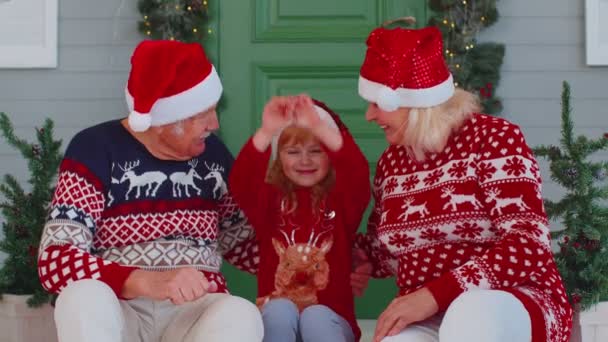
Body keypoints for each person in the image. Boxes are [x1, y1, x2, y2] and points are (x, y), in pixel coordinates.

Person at [350, 26, 573, 342]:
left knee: (470, 316)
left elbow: (528, 245)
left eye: (377, 102)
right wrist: (347, 261)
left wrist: (433, 294)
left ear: (415, 101)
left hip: (509, 299)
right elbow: (383, 251)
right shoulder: (392, 162)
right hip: (429, 312)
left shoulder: (494, 139)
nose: (369, 115)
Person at [37, 40, 263, 342]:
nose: (214, 124)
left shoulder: (214, 157)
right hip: (121, 308)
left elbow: (244, 244)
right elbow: (55, 260)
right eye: (201, 113)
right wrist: (144, 280)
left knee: (241, 313)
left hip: (195, 312)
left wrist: (320, 259)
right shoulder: (95, 149)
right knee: (82, 296)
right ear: (161, 121)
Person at [229, 94, 371, 342]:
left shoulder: (341, 202)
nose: (305, 160)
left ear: (330, 157)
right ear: (279, 156)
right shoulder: (269, 202)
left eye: (316, 151)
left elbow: (356, 172)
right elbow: (242, 182)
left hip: (332, 322)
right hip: (279, 320)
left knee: (315, 316)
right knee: (279, 309)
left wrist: (319, 128)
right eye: (293, 151)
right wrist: (266, 131)